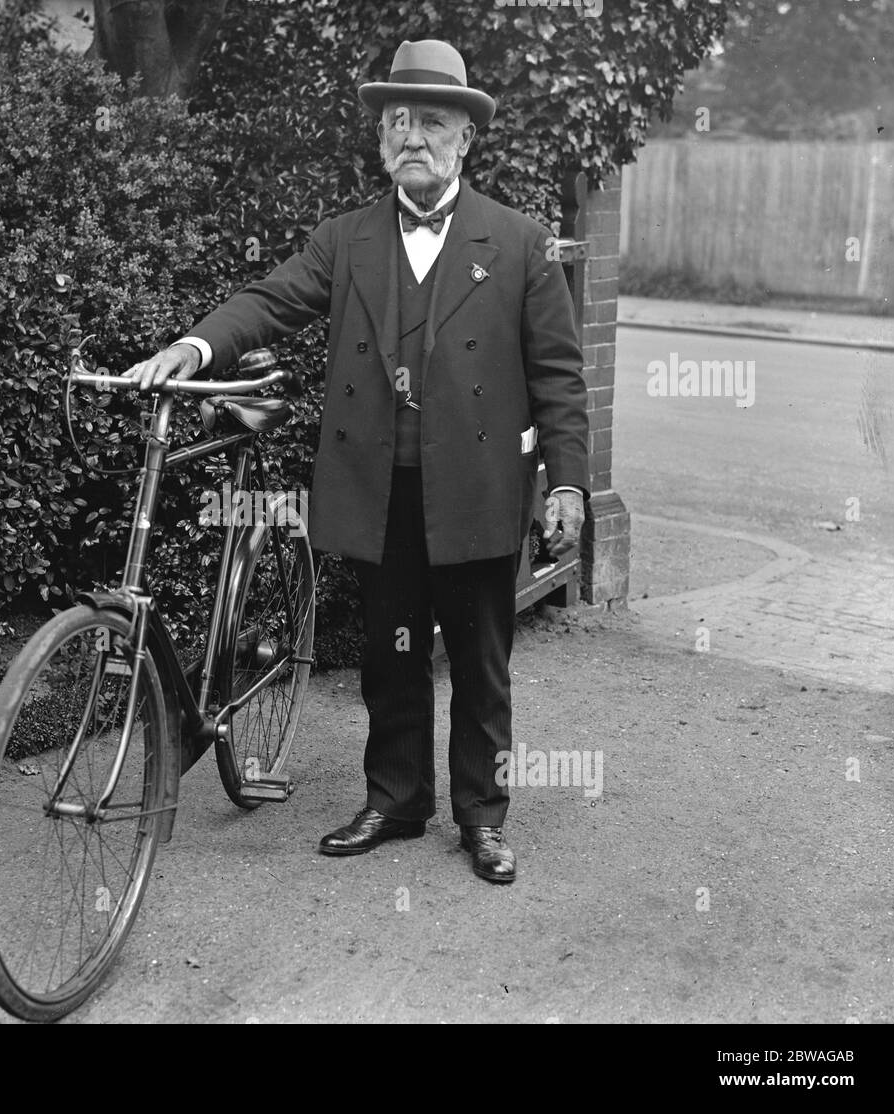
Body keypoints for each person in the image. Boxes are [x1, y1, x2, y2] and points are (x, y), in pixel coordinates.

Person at [126, 39, 589, 885]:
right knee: (391, 652)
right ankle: (396, 799)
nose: (414, 135)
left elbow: (558, 377)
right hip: (381, 487)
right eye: (399, 121)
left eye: (433, 121)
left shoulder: (519, 244)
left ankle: (482, 819)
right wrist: (197, 345)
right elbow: (269, 300)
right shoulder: (345, 240)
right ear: (383, 137)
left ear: (465, 139)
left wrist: (565, 481)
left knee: (481, 663)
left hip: (479, 490)